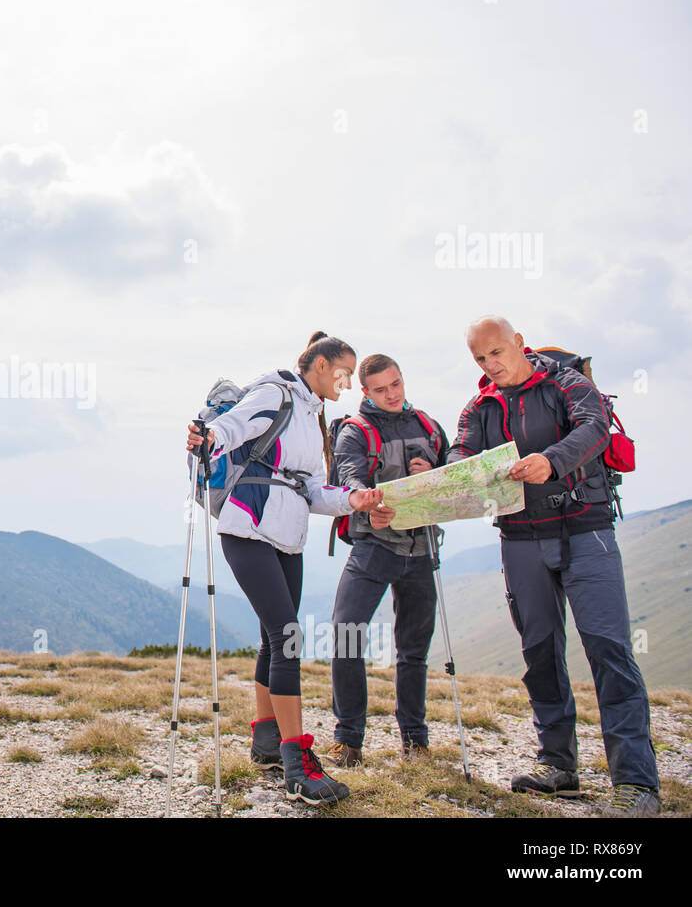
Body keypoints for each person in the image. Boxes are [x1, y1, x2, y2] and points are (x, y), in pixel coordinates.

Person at [374, 316, 659, 816]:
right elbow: (464, 460)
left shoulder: (569, 385)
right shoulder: (478, 407)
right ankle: (557, 764)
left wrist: (552, 460)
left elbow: (594, 429)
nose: (491, 365)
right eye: (480, 359)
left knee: (610, 649)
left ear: (519, 343)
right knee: (539, 650)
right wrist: (434, 479)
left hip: (586, 531)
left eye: (497, 353)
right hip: (520, 538)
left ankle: (636, 784)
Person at [185, 331, 383, 806]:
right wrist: (209, 437)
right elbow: (234, 427)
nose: (348, 382)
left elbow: (314, 490)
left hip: (288, 538)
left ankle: (267, 741)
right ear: (320, 365)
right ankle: (298, 765)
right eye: (344, 372)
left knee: (273, 639)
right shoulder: (276, 392)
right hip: (247, 526)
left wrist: (352, 499)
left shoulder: (316, 420)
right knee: (288, 636)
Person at [323, 354, 449, 768]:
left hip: (421, 550)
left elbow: (454, 473)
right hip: (374, 547)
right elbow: (349, 477)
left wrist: (432, 468)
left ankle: (415, 741)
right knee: (345, 636)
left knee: (413, 651)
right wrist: (365, 502)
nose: (392, 394)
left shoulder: (428, 427)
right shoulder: (355, 432)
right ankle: (348, 739)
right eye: (381, 389)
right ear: (366, 392)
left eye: (396, 384)